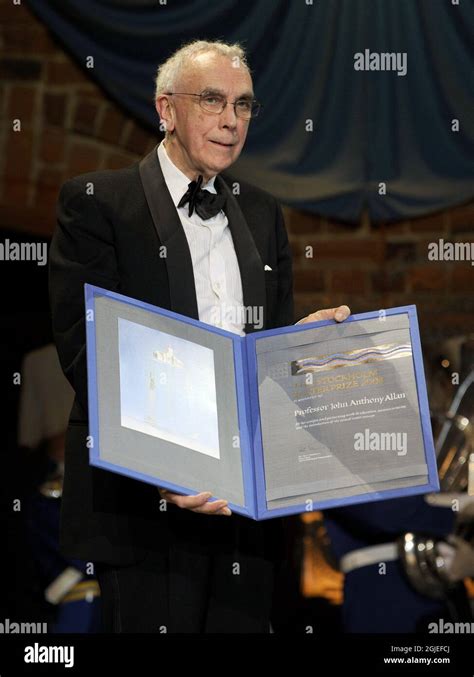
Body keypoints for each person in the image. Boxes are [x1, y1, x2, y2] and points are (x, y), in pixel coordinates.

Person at [49, 39, 350, 633]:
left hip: (246, 512)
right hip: (145, 509)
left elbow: (264, 357)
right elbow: (89, 352)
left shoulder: (263, 213)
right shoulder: (100, 203)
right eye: (212, 100)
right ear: (166, 109)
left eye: (243, 105)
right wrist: (167, 469)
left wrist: (301, 347)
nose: (231, 120)